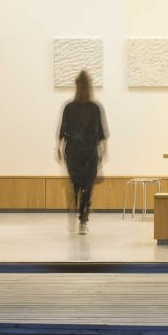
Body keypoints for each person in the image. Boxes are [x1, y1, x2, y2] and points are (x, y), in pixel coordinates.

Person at [56, 69, 108, 234]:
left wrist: (57, 148)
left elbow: (62, 131)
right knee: (87, 186)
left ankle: (76, 208)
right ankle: (83, 220)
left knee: (76, 183)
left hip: (72, 152)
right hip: (90, 153)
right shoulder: (95, 107)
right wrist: (105, 152)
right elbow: (101, 133)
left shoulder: (69, 107)